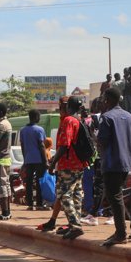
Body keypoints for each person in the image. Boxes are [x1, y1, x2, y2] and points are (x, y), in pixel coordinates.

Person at [97, 87, 131, 246]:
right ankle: (122, 231)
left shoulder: (106, 117)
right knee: (120, 196)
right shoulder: (130, 117)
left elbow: (103, 141)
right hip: (128, 163)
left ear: (108, 100)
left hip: (112, 163)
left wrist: (96, 139)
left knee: (115, 197)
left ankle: (120, 233)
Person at [48, 96, 88, 240]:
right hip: (79, 164)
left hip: (68, 165)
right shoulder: (78, 120)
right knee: (76, 195)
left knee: (64, 195)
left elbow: (65, 145)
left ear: (67, 106)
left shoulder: (68, 121)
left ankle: (75, 226)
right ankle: (74, 225)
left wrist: (53, 164)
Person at [19, 110, 48, 210]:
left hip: (28, 159)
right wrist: (45, 160)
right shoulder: (39, 129)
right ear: (36, 117)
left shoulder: (22, 130)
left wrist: (25, 159)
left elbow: (22, 146)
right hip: (39, 159)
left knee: (29, 182)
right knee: (39, 181)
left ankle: (30, 204)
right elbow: (42, 145)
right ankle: (39, 203)